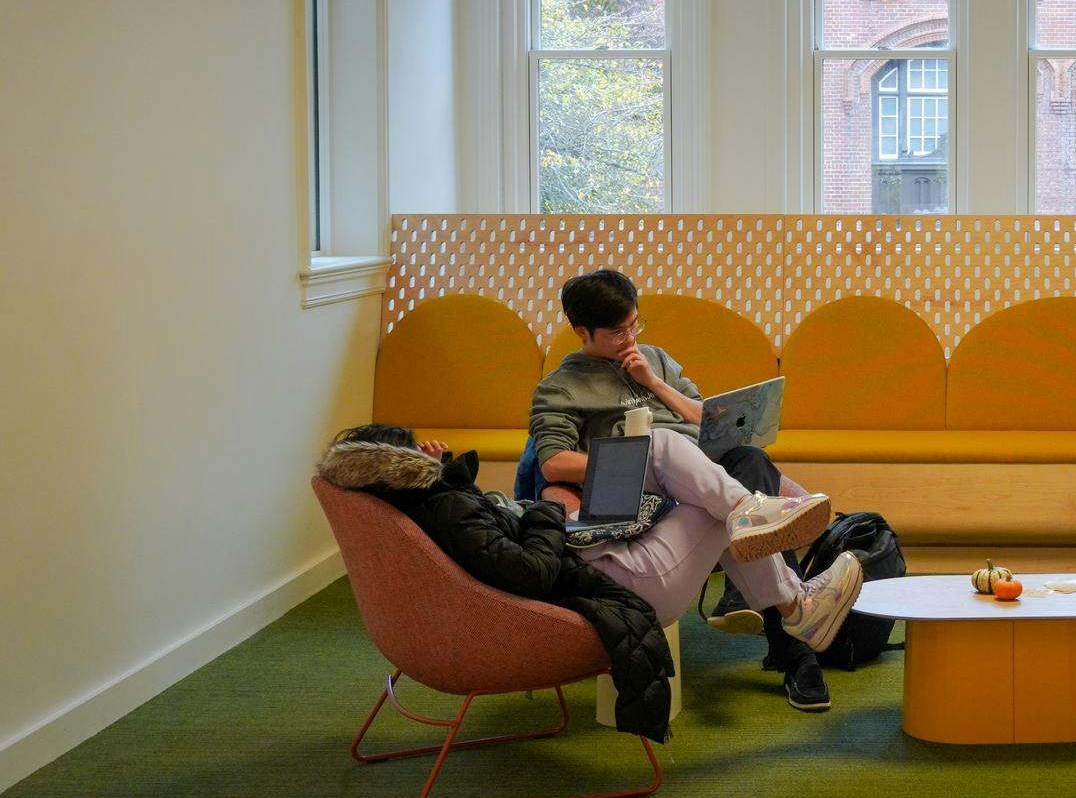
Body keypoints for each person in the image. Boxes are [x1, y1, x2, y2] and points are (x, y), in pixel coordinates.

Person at [529, 268, 860, 712]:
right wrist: (634, 458)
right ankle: (792, 615)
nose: (630, 338)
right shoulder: (560, 387)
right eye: (617, 332)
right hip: (629, 490)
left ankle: (783, 604)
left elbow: (708, 419)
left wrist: (653, 382)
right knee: (668, 447)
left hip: (697, 472)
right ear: (581, 331)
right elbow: (552, 462)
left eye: (635, 325)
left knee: (749, 461)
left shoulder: (656, 359)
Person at [313, 425, 676, 743]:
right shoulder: (444, 508)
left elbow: (477, 532)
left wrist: (440, 474)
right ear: (403, 463)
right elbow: (533, 574)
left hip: (440, 623)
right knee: (673, 515)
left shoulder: (399, 505)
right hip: (521, 608)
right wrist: (547, 512)